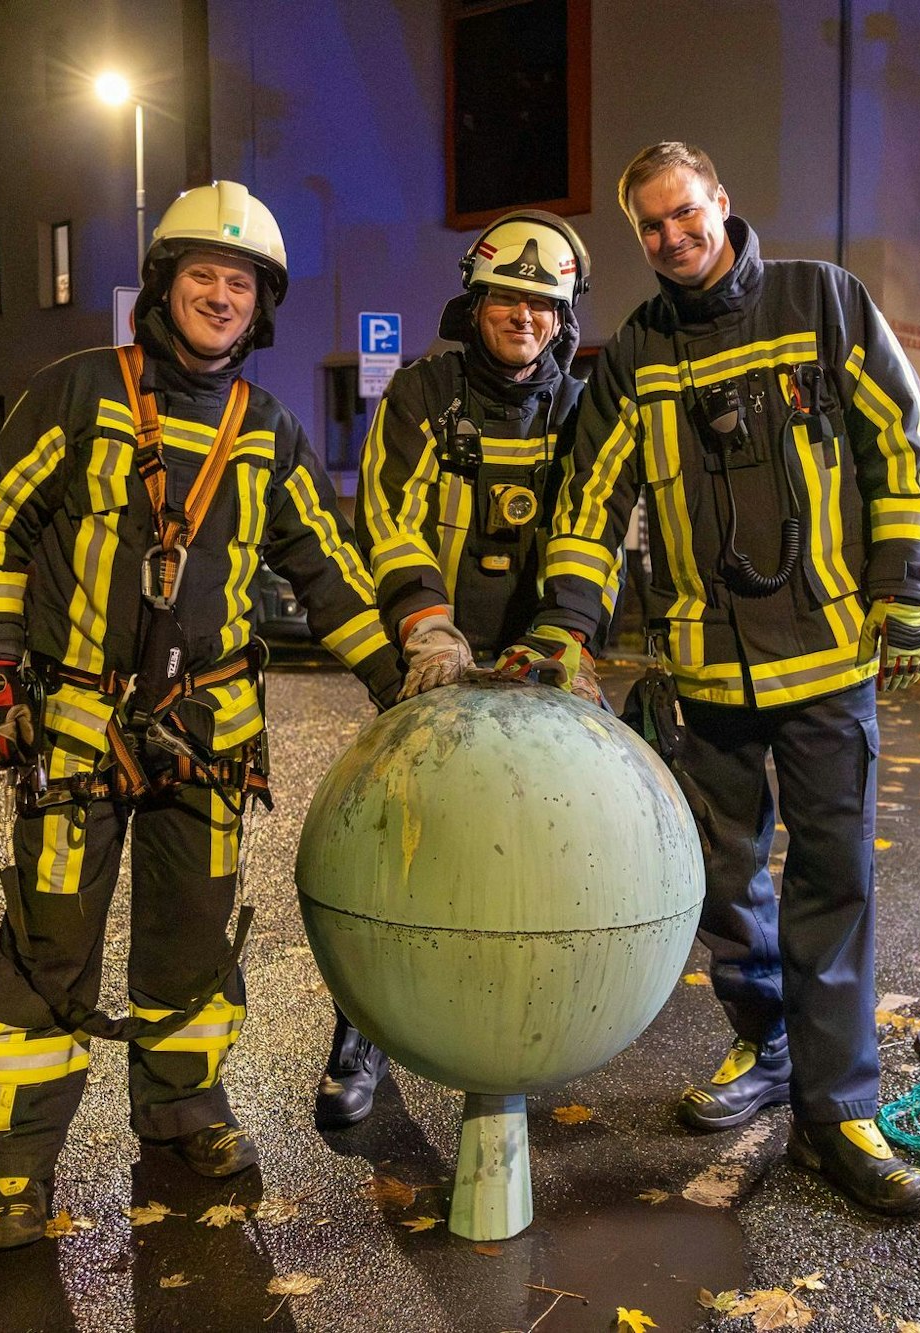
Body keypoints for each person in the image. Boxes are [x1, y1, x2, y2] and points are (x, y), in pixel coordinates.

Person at [0, 180, 402, 1248]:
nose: (218, 294)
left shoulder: (270, 432)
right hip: (73, 728)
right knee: (48, 945)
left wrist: (404, 684)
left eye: (237, 281)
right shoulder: (76, 393)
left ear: (261, 305)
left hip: (209, 742)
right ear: (163, 286)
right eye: (200, 273)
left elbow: (329, 574)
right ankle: (14, 1167)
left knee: (192, 947)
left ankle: (183, 1109)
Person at [503, 142, 920, 1215]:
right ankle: (767, 1048)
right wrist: (564, 626)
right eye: (649, 225)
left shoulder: (820, 301)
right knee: (723, 888)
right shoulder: (636, 354)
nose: (670, 237)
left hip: (830, 659)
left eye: (684, 213)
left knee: (831, 888)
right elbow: (591, 507)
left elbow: (900, 442)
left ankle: (839, 1115)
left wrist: (908, 589)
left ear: (721, 201)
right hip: (705, 675)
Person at [316, 210, 602, 1129]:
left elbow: (594, 525)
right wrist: (428, 635)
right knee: (399, 844)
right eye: (510, 299)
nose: (526, 317)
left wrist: (565, 635)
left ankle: (526, 1019)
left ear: (564, 319)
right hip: (434, 657)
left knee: (540, 850)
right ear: (476, 303)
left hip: (538, 661)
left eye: (544, 305)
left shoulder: (582, 409)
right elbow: (389, 518)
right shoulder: (419, 394)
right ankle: (360, 1031)